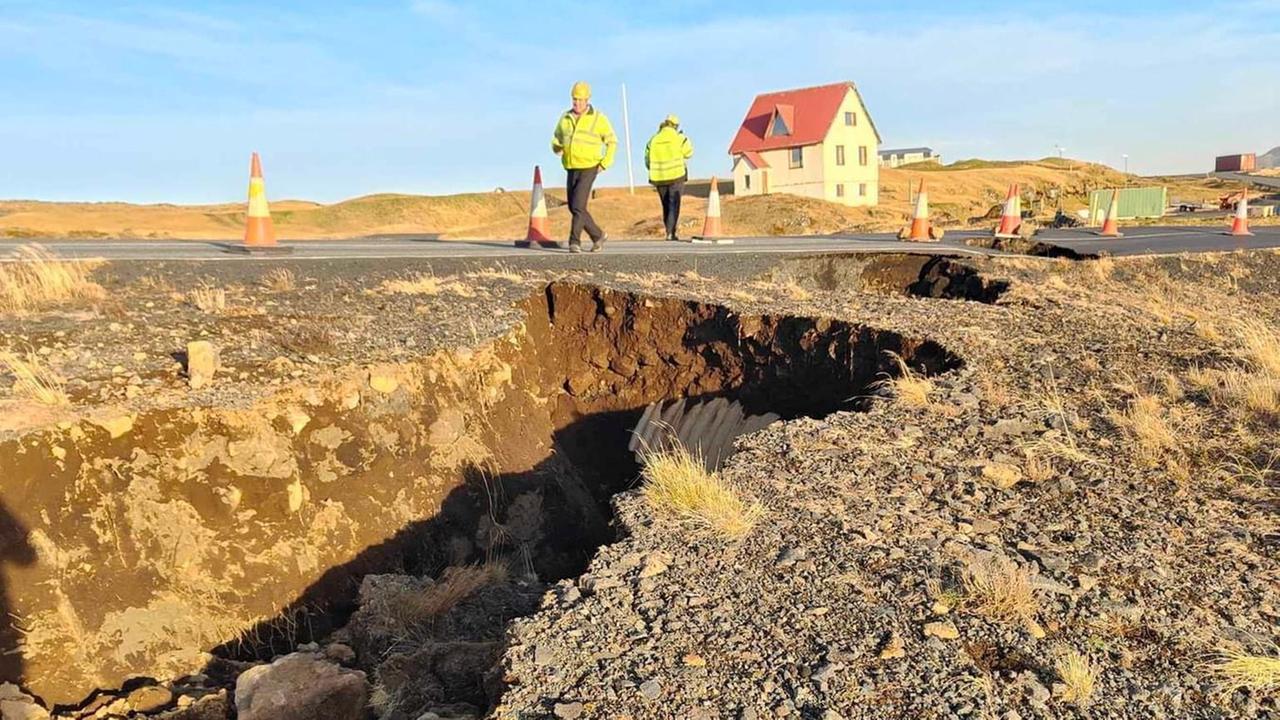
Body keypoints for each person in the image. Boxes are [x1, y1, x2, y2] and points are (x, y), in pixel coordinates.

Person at [551, 81, 616, 253]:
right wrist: (556, 147)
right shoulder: (565, 118)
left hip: (589, 166)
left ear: (587, 99)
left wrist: (604, 163)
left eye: (580, 100)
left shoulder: (598, 118)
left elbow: (612, 142)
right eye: (574, 100)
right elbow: (556, 138)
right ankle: (598, 235)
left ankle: (574, 241)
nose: (577, 103)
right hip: (571, 166)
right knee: (574, 207)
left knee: (578, 205)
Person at [644, 114, 694, 241]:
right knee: (674, 204)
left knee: (665, 205)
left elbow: (647, 159)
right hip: (676, 175)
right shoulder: (679, 137)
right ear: (676, 126)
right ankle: (670, 232)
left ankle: (669, 230)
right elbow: (689, 153)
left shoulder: (653, 139)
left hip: (659, 177)